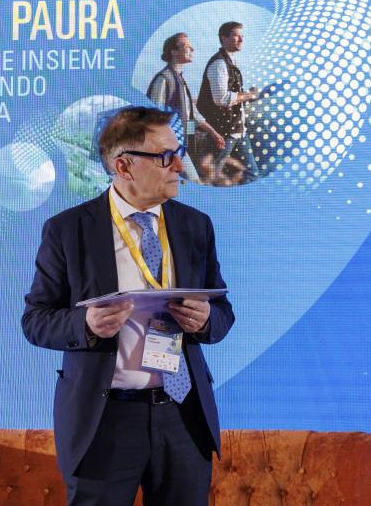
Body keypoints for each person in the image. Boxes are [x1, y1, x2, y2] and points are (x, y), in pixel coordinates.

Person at [22, 106, 235, 506]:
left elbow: (223, 312)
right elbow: (36, 321)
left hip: (182, 414)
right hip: (105, 419)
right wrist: (85, 324)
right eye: (165, 156)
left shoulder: (195, 226)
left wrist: (207, 320)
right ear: (123, 165)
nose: (179, 165)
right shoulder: (69, 230)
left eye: (179, 152)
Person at [146, 32, 225, 182]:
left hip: (181, 145)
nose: (192, 49)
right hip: (169, 147)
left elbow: (191, 115)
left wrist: (213, 132)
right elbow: (153, 117)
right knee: (193, 180)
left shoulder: (180, 80)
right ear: (174, 52)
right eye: (187, 46)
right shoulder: (164, 79)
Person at [197, 21, 260, 184]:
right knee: (212, 177)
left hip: (237, 130)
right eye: (236, 36)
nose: (241, 40)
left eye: (242, 36)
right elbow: (222, 99)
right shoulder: (219, 64)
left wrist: (246, 96)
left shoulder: (231, 62)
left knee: (252, 174)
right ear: (223, 38)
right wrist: (248, 95)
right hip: (224, 132)